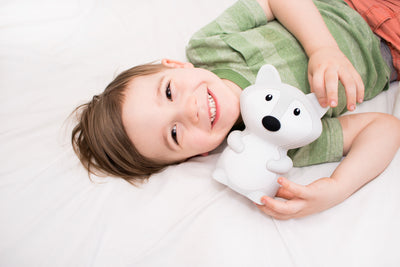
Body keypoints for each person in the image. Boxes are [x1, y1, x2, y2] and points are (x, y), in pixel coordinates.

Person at [71, 0, 400, 219]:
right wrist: (338, 187)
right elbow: (385, 129)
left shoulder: (210, 45)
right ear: (195, 157)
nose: (190, 110)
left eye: (169, 91)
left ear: (176, 65)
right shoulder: (282, 148)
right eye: (174, 133)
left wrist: (323, 48)